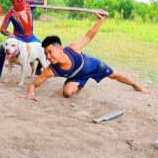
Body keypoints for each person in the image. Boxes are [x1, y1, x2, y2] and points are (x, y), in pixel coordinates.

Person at [18, 11, 147, 101]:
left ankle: (136, 85)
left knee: (115, 75)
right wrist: (30, 93)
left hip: (93, 65)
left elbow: (89, 35)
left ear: (60, 49)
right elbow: (33, 84)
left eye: (50, 52)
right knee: (66, 93)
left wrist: (100, 20)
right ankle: (81, 84)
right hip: (77, 76)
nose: (48, 57)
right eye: (46, 54)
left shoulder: (73, 48)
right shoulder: (51, 70)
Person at [0, 0, 50, 83]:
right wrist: (9, 33)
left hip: (31, 37)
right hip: (18, 37)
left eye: (18, 1)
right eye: (13, 2)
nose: (16, 4)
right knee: (2, 49)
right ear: (11, 1)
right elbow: (2, 29)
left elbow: (43, 5)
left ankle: (38, 70)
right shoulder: (10, 12)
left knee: (44, 49)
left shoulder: (30, 4)